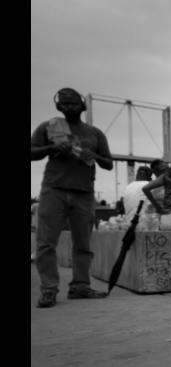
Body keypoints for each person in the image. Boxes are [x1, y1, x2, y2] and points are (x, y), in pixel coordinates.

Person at [31, 88, 114, 308]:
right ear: (58, 106)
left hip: (84, 192)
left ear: (82, 106)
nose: (70, 107)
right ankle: (49, 289)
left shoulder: (94, 133)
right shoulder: (47, 128)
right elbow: (32, 153)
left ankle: (79, 287)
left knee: (83, 243)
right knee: (45, 243)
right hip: (53, 189)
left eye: (74, 103)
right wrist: (52, 147)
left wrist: (93, 155)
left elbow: (108, 163)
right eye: (65, 104)